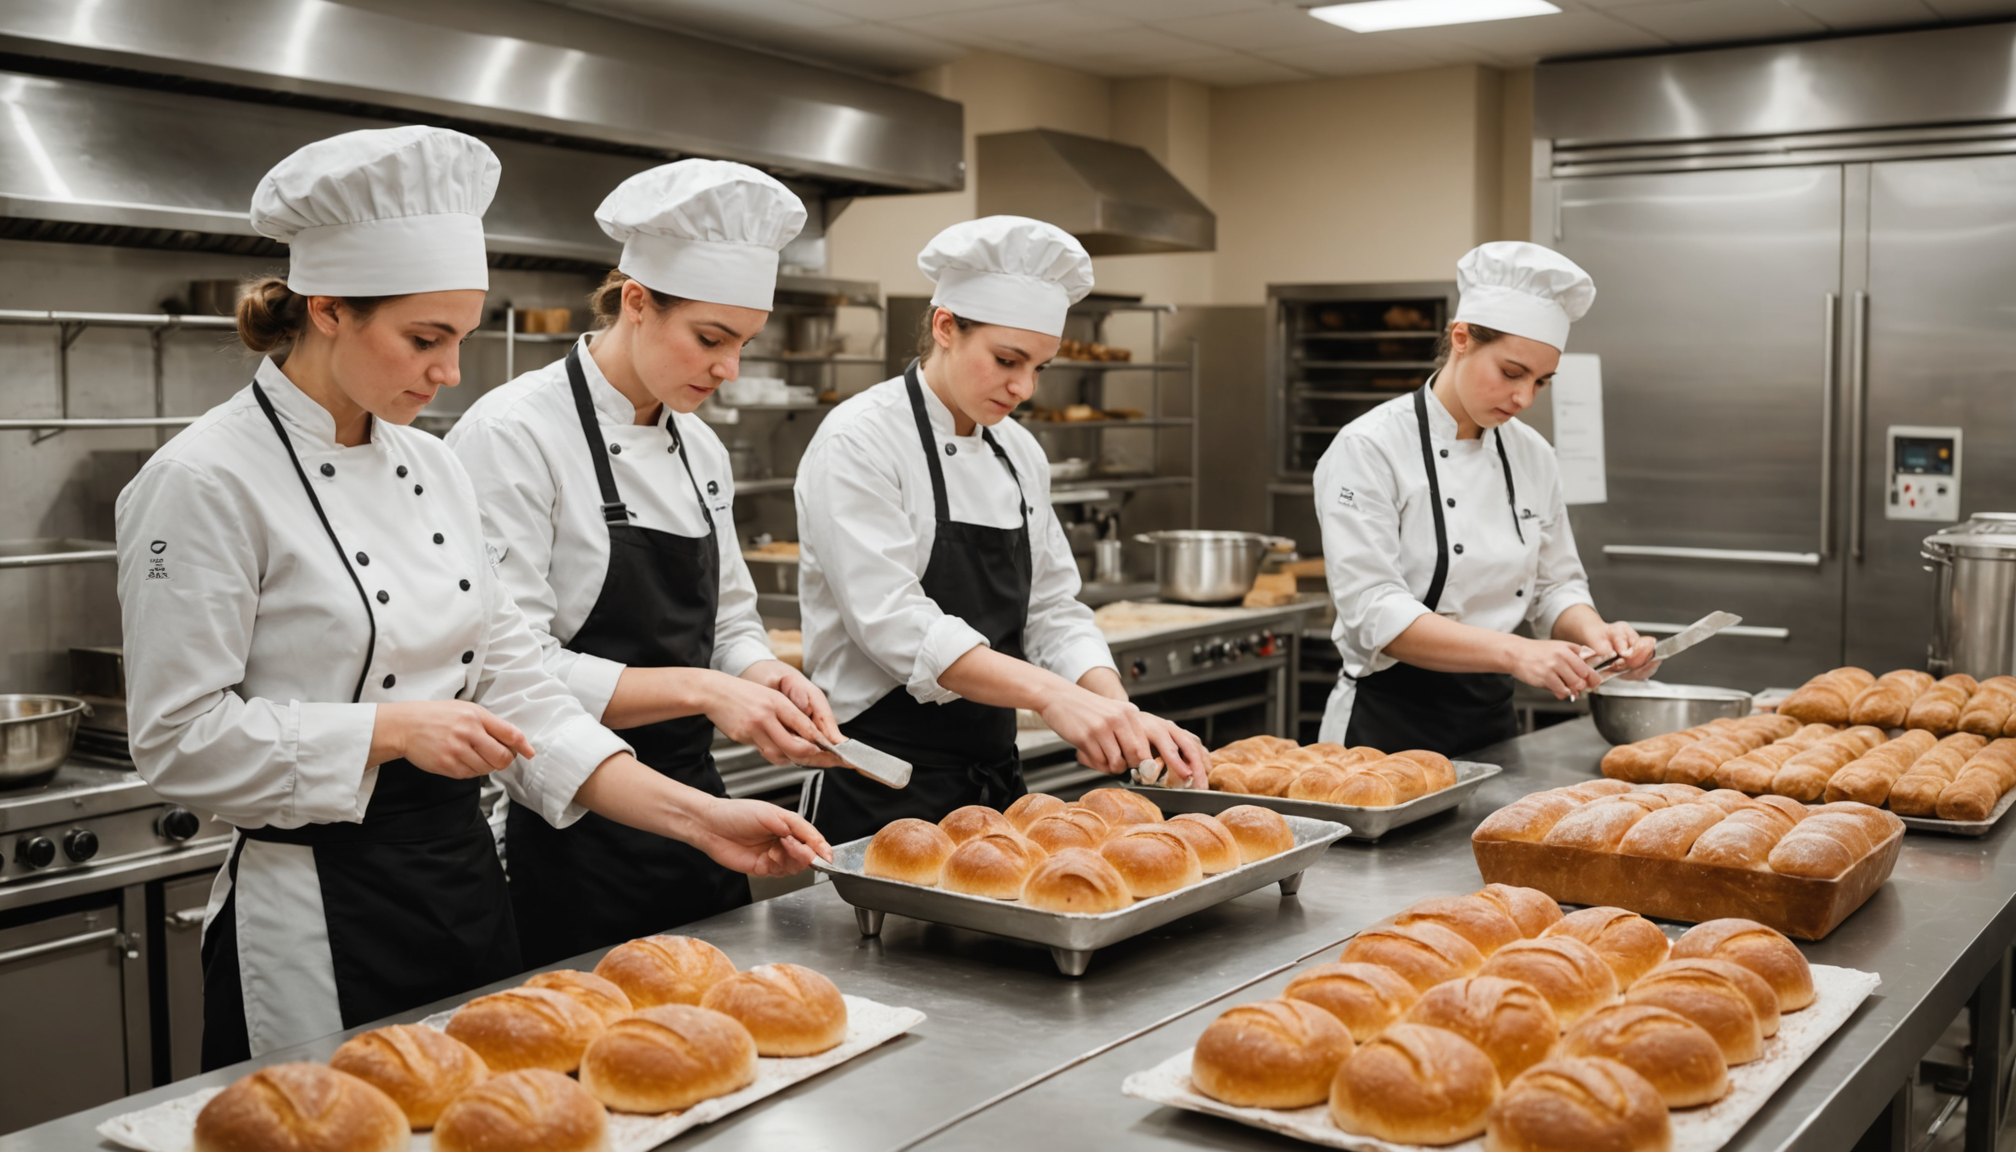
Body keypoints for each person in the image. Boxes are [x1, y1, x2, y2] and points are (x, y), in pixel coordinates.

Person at [116, 127, 827, 1068]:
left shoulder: (434, 466)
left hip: (462, 886)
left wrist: (704, 822)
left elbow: (522, 691)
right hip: (316, 910)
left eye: (459, 337)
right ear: (328, 309)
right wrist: (389, 731)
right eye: (425, 339)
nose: (450, 372)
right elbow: (176, 739)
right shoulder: (203, 479)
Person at [447, 160, 844, 967]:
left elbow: (730, 617)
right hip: (572, 827)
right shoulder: (514, 435)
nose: (729, 369)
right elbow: (509, 667)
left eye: (743, 344)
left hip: (701, 816)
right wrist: (707, 689)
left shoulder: (697, 443)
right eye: (711, 339)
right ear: (636, 301)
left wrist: (761, 673)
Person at [793, 215, 1209, 845]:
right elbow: (895, 623)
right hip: (879, 787)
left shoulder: (1018, 451)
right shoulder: (860, 440)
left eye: (1040, 367)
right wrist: (1052, 698)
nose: (1023, 388)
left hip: (993, 790)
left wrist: (1112, 707)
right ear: (945, 327)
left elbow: (1052, 610)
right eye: (1007, 360)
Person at [1314, 241, 1657, 757]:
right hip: (1383, 730)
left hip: (1493, 725)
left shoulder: (1533, 454)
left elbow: (1555, 584)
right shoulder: (1369, 448)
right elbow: (1373, 611)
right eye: (1512, 373)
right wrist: (1517, 653)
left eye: (1541, 382)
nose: (1523, 399)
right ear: (1461, 338)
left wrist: (1599, 635)